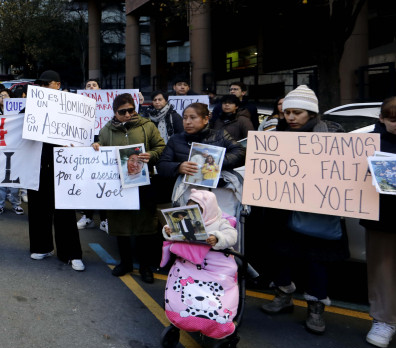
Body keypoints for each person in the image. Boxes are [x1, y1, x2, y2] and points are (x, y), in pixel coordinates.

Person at [259, 85, 348, 335]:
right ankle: (283, 294)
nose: (290, 117)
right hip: (283, 211)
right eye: (287, 112)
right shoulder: (277, 134)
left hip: (317, 213)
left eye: (297, 112)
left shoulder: (332, 134)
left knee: (316, 262)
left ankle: (316, 306)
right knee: (282, 255)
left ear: (311, 112)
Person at [98, 93, 166, 283]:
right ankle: (125, 263)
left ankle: (145, 267)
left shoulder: (147, 126)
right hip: (118, 186)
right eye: (122, 111)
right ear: (114, 112)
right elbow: (99, 151)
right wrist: (95, 146)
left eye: (131, 110)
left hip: (143, 183)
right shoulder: (106, 131)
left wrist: (150, 155)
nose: (128, 114)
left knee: (145, 226)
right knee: (120, 225)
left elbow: (161, 147)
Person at [27, 70, 85, 271]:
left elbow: (82, 131)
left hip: (63, 165)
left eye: (47, 83)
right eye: (40, 84)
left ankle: (71, 253)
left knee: (65, 210)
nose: (43, 88)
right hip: (37, 165)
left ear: (57, 85)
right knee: (38, 208)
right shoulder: (31, 107)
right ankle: (41, 246)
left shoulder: (71, 106)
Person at [364, 96, 396, 347]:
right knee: (383, 270)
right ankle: (384, 320)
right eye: (394, 120)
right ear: (382, 119)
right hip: (384, 218)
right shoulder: (367, 145)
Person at [157, 102, 246, 182]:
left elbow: (241, 153)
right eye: (184, 118)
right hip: (188, 192)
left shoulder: (220, 135)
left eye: (193, 118)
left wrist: (214, 161)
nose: (187, 122)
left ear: (205, 119)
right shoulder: (175, 139)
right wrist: (178, 167)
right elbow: (162, 165)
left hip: (219, 190)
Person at [0, 89, 24, 215]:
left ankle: (16, 203)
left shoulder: (18, 112)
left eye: (5, 95)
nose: (3, 98)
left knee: (15, 178)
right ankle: (0, 204)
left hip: (15, 148)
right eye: (0, 96)